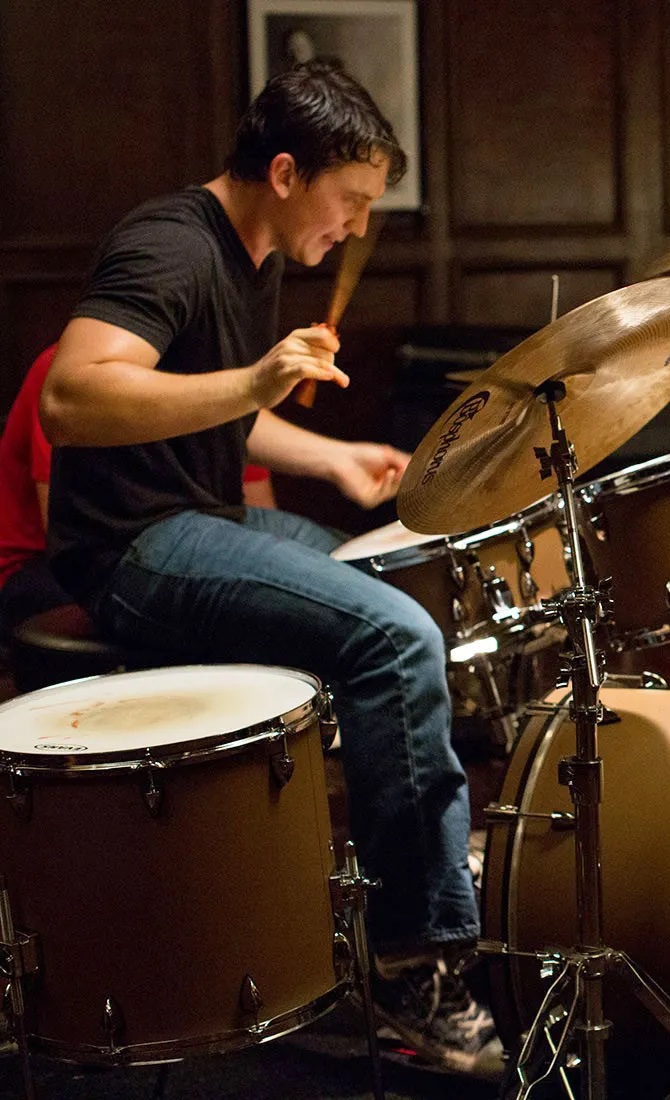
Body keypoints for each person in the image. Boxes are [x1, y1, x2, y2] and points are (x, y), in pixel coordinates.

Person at [39, 61, 502, 1078]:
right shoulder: (169, 242)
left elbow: (218, 403)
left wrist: (324, 453)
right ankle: (415, 962)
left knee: (401, 586)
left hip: (197, 516)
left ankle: (402, 872)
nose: (359, 226)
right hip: (131, 545)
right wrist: (258, 377)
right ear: (288, 172)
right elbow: (73, 397)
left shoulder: (256, 253)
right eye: (354, 201)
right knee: (395, 635)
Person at [0, 343, 275, 638]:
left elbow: (259, 517)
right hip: (42, 565)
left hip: (155, 547)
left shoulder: (220, 384)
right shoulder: (73, 377)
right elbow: (62, 533)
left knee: (269, 603)